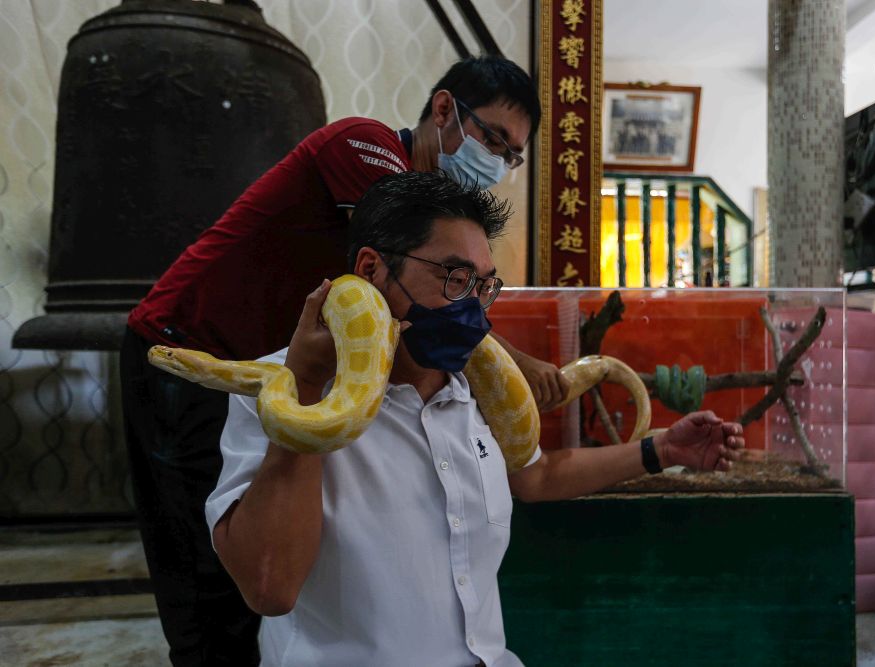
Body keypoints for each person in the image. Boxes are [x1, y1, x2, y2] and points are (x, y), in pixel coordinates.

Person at [120, 55, 567, 666]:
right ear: (443, 111)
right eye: (493, 137)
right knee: (209, 574)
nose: (497, 161)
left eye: (511, 154)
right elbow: (406, 266)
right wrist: (520, 360)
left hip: (270, 365)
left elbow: (430, 295)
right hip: (191, 349)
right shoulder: (365, 145)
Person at [207, 170, 745, 666]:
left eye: (483, 285)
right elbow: (270, 586)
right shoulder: (277, 387)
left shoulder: (475, 389)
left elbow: (535, 474)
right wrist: (304, 387)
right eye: (453, 277)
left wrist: (659, 451)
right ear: (371, 269)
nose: (473, 308)